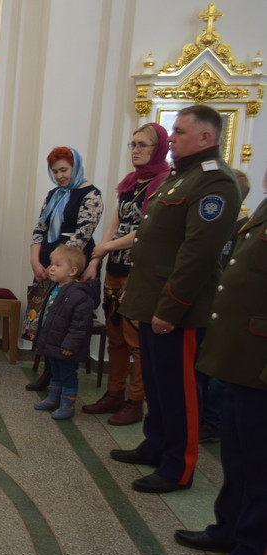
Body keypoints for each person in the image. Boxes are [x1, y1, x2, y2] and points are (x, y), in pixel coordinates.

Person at [111, 104, 241, 494]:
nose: (172, 139)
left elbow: (197, 254)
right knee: (157, 383)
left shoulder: (216, 183)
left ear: (206, 137)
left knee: (180, 390)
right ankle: (155, 444)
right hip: (152, 300)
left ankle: (178, 466)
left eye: (180, 132)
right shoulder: (179, 178)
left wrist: (171, 308)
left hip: (177, 309)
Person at [177, 167, 267, 555]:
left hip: (260, 364)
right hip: (239, 357)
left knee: (260, 464)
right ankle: (228, 528)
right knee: (237, 455)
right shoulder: (263, 210)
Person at [82, 123, 170, 426]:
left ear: (158, 148)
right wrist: (97, 259)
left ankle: (135, 401)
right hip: (115, 269)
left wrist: (106, 247)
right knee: (116, 336)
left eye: (143, 145)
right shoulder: (130, 182)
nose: (135, 150)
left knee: (136, 341)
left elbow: (145, 230)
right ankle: (114, 393)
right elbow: (115, 223)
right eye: (133, 144)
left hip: (139, 272)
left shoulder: (163, 182)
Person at [23, 147, 103, 391]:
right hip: (48, 262)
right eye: (55, 171)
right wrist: (35, 261)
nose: (59, 176)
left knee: (64, 320)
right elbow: (40, 228)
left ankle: (61, 376)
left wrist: (57, 266)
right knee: (47, 318)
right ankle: (48, 372)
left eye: (64, 170)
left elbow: (83, 234)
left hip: (72, 265)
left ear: (75, 167)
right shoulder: (54, 194)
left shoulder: (91, 194)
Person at [197, 169, 251, 444]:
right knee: (203, 364)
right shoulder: (217, 224)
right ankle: (202, 416)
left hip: (230, 311)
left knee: (218, 371)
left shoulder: (245, 229)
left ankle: (213, 420)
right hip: (208, 304)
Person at [31, 245, 100, 420]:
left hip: (66, 346)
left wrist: (70, 345)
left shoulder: (79, 295)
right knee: (55, 372)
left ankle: (67, 405)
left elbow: (79, 325)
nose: (51, 268)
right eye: (51, 264)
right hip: (54, 342)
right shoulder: (55, 288)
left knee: (68, 375)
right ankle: (53, 399)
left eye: (58, 265)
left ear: (72, 271)